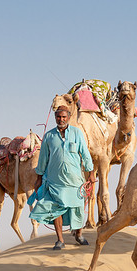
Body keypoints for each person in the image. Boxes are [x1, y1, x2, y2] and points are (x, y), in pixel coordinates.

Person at [29, 106, 96, 250]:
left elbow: (85, 153)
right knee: (55, 208)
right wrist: (39, 178)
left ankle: (79, 235)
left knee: (77, 208)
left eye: (64, 117)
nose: (61, 120)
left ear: (69, 117)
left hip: (75, 181)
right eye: (59, 117)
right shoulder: (49, 136)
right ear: (55, 118)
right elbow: (43, 159)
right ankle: (60, 240)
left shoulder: (77, 133)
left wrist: (91, 173)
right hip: (55, 181)